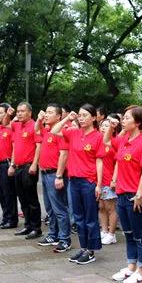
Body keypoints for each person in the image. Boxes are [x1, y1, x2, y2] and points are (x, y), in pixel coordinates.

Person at [51, 104, 106, 265]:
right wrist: (67, 118)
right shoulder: (74, 133)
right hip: (74, 181)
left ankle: (91, 250)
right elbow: (54, 131)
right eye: (80, 115)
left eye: (85, 115)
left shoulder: (98, 137)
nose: (81, 118)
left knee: (90, 218)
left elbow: (99, 161)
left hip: (88, 182)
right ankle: (83, 247)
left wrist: (99, 184)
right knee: (79, 217)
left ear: (94, 118)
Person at [110, 106, 142, 283]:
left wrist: (139, 194)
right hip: (122, 194)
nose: (123, 120)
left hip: (135, 196)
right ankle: (131, 267)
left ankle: (141, 272)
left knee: (140, 235)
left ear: (137, 122)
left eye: (127, 118)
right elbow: (108, 143)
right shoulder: (124, 140)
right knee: (128, 234)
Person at [35, 103, 72, 253]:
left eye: (50, 112)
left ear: (58, 116)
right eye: (46, 111)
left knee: (59, 209)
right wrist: (39, 119)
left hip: (54, 174)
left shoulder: (61, 132)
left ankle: (65, 239)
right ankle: (53, 234)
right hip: (45, 174)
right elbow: (36, 130)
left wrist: (59, 176)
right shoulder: (47, 130)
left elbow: (64, 154)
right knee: (50, 208)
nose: (47, 114)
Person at [9, 102, 43, 240]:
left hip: (29, 167)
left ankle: (36, 228)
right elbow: (14, 146)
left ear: (30, 113)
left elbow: (39, 146)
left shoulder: (34, 126)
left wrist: (34, 164)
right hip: (18, 167)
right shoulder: (17, 126)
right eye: (18, 111)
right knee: (22, 198)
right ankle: (28, 225)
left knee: (31, 199)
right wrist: (12, 164)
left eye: (22, 111)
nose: (19, 113)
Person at [99, 115, 120, 245]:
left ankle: (112, 234)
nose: (103, 128)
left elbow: (118, 162)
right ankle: (104, 231)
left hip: (109, 180)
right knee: (101, 207)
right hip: (98, 181)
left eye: (106, 126)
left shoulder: (114, 142)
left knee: (110, 207)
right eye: (102, 126)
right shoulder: (98, 142)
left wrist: (114, 179)